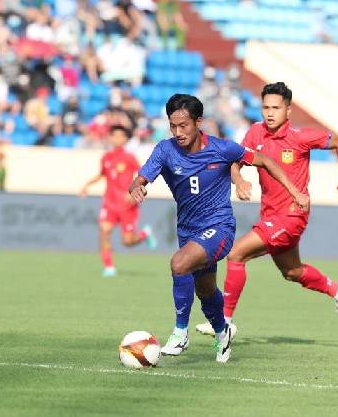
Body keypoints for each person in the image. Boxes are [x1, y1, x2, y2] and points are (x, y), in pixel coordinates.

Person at [130, 94, 309, 362]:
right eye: (173, 126)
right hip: (188, 230)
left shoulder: (223, 149)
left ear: (198, 122)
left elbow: (267, 161)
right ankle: (222, 333)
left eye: (184, 126)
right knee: (205, 289)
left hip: (220, 226)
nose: (178, 132)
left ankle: (180, 333)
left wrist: (295, 192)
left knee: (179, 264)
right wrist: (137, 186)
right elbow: (141, 177)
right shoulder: (165, 150)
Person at [195, 82, 338, 339]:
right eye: (265, 107)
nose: (270, 113)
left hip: (293, 214)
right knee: (292, 272)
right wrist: (240, 180)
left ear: (288, 110)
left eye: (276, 108)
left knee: (236, 254)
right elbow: (235, 161)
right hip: (270, 215)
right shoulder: (255, 133)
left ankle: (223, 322)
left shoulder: (299, 137)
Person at [80, 125, 156, 277]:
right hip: (109, 203)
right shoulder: (106, 157)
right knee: (104, 231)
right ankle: (109, 267)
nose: (117, 139)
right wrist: (87, 185)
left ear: (125, 139)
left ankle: (144, 235)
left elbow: (143, 175)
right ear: (110, 138)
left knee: (127, 242)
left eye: (121, 136)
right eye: (114, 135)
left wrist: (134, 191)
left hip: (127, 205)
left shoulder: (129, 157)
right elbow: (102, 175)